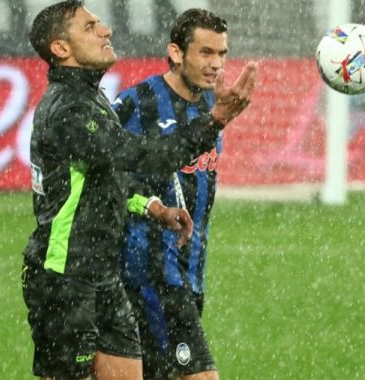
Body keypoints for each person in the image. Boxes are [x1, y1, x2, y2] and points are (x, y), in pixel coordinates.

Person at [21, 1, 256, 379]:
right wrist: (216, 120)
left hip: (105, 278)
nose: (106, 31)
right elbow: (144, 156)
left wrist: (152, 207)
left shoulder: (92, 100)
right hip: (67, 278)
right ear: (61, 48)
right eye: (90, 26)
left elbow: (111, 177)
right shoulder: (69, 109)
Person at [113, 9, 237, 379]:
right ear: (177, 52)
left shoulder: (212, 107)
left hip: (190, 270)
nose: (216, 64)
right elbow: (106, 178)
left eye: (222, 54)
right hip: (149, 270)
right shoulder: (137, 103)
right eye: (206, 53)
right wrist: (151, 206)